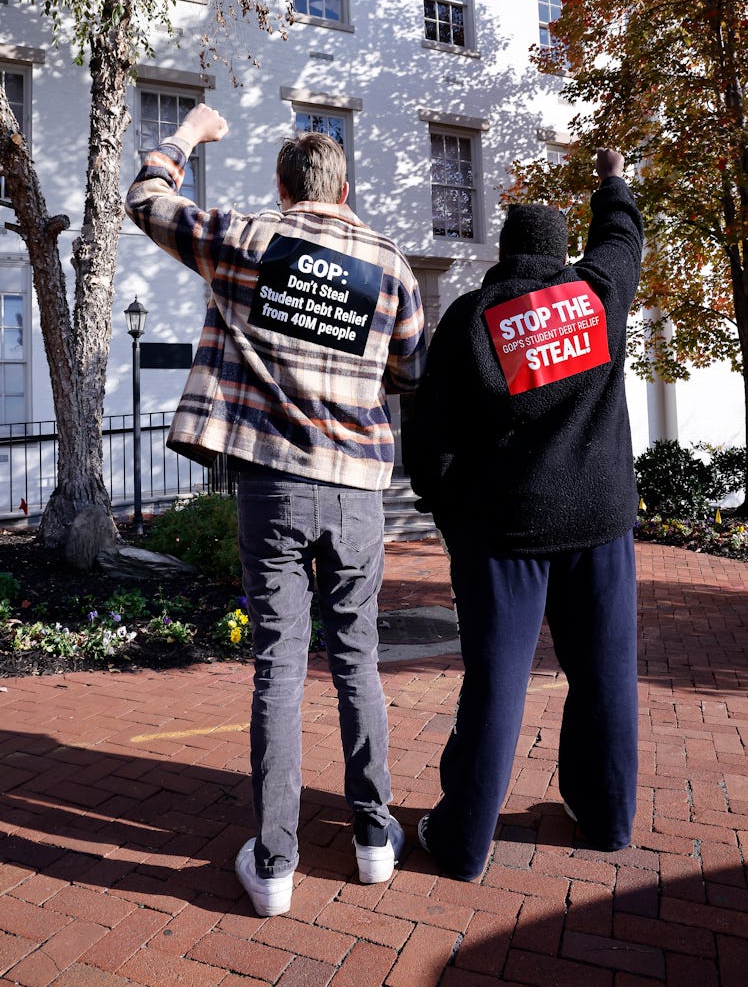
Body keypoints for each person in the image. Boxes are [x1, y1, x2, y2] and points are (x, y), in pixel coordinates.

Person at [126, 103, 426, 915]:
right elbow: (409, 369)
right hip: (359, 487)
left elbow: (146, 200)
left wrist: (187, 135)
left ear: (285, 187)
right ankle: (372, 840)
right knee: (358, 660)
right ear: (346, 186)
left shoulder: (248, 239)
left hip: (275, 484)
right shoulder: (391, 264)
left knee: (280, 667)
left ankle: (276, 861)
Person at [404, 148, 643, 881]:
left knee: (496, 684)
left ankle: (464, 840)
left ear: (503, 254)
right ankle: (605, 819)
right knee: (605, 676)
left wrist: (451, 513)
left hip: (502, 532)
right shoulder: (598, 296)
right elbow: (622, 240)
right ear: (561, 252)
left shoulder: (472, 319)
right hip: (599, 524)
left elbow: (430, 439)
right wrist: (613, 180)